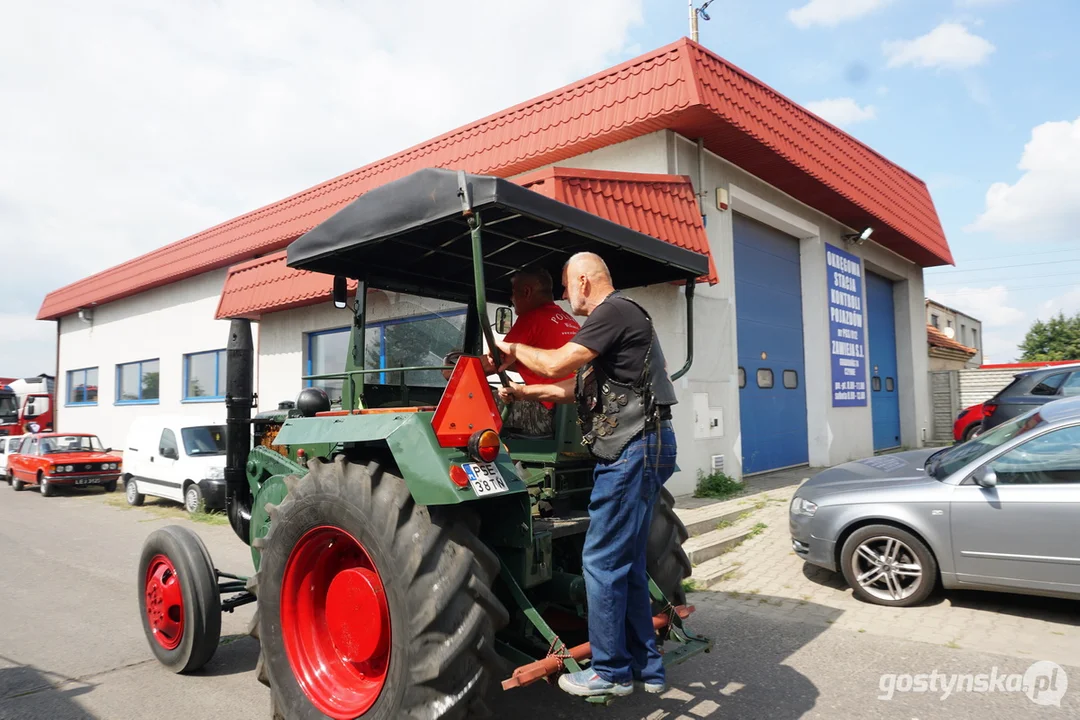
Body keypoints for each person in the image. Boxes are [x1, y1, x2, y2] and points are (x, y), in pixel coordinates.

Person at [490, 251, 678, 698]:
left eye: (566, 284)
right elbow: (575, 387)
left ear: (584, 282)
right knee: (627, 561)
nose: (564, 294)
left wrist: (509, 348)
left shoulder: (612, 311)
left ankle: (609, 672)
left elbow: (557, 364)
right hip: (648, 446)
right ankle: (645, 666)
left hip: (631, 450)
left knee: (600, 560)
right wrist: (521, 392)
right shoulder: (619, 320)